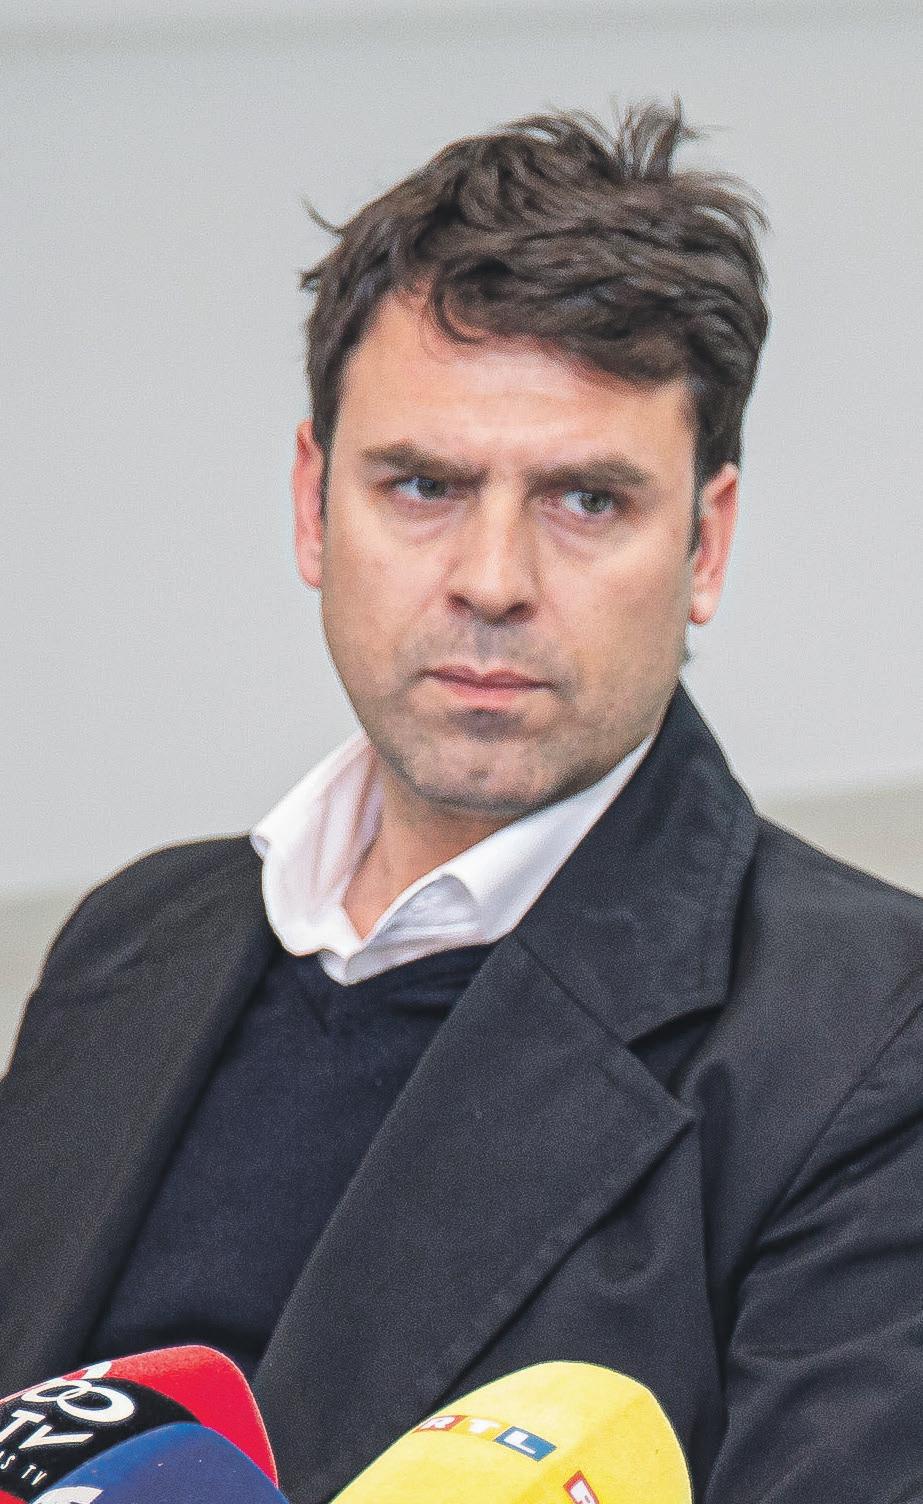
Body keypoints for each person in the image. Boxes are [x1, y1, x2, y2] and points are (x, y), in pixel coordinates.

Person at [2, 98, 922, 1504]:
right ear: (314, 505)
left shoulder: (871, 1039)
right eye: (424, 484)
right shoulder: (128, 942)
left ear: (705, 543)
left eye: (587, 501)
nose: (492, 580)